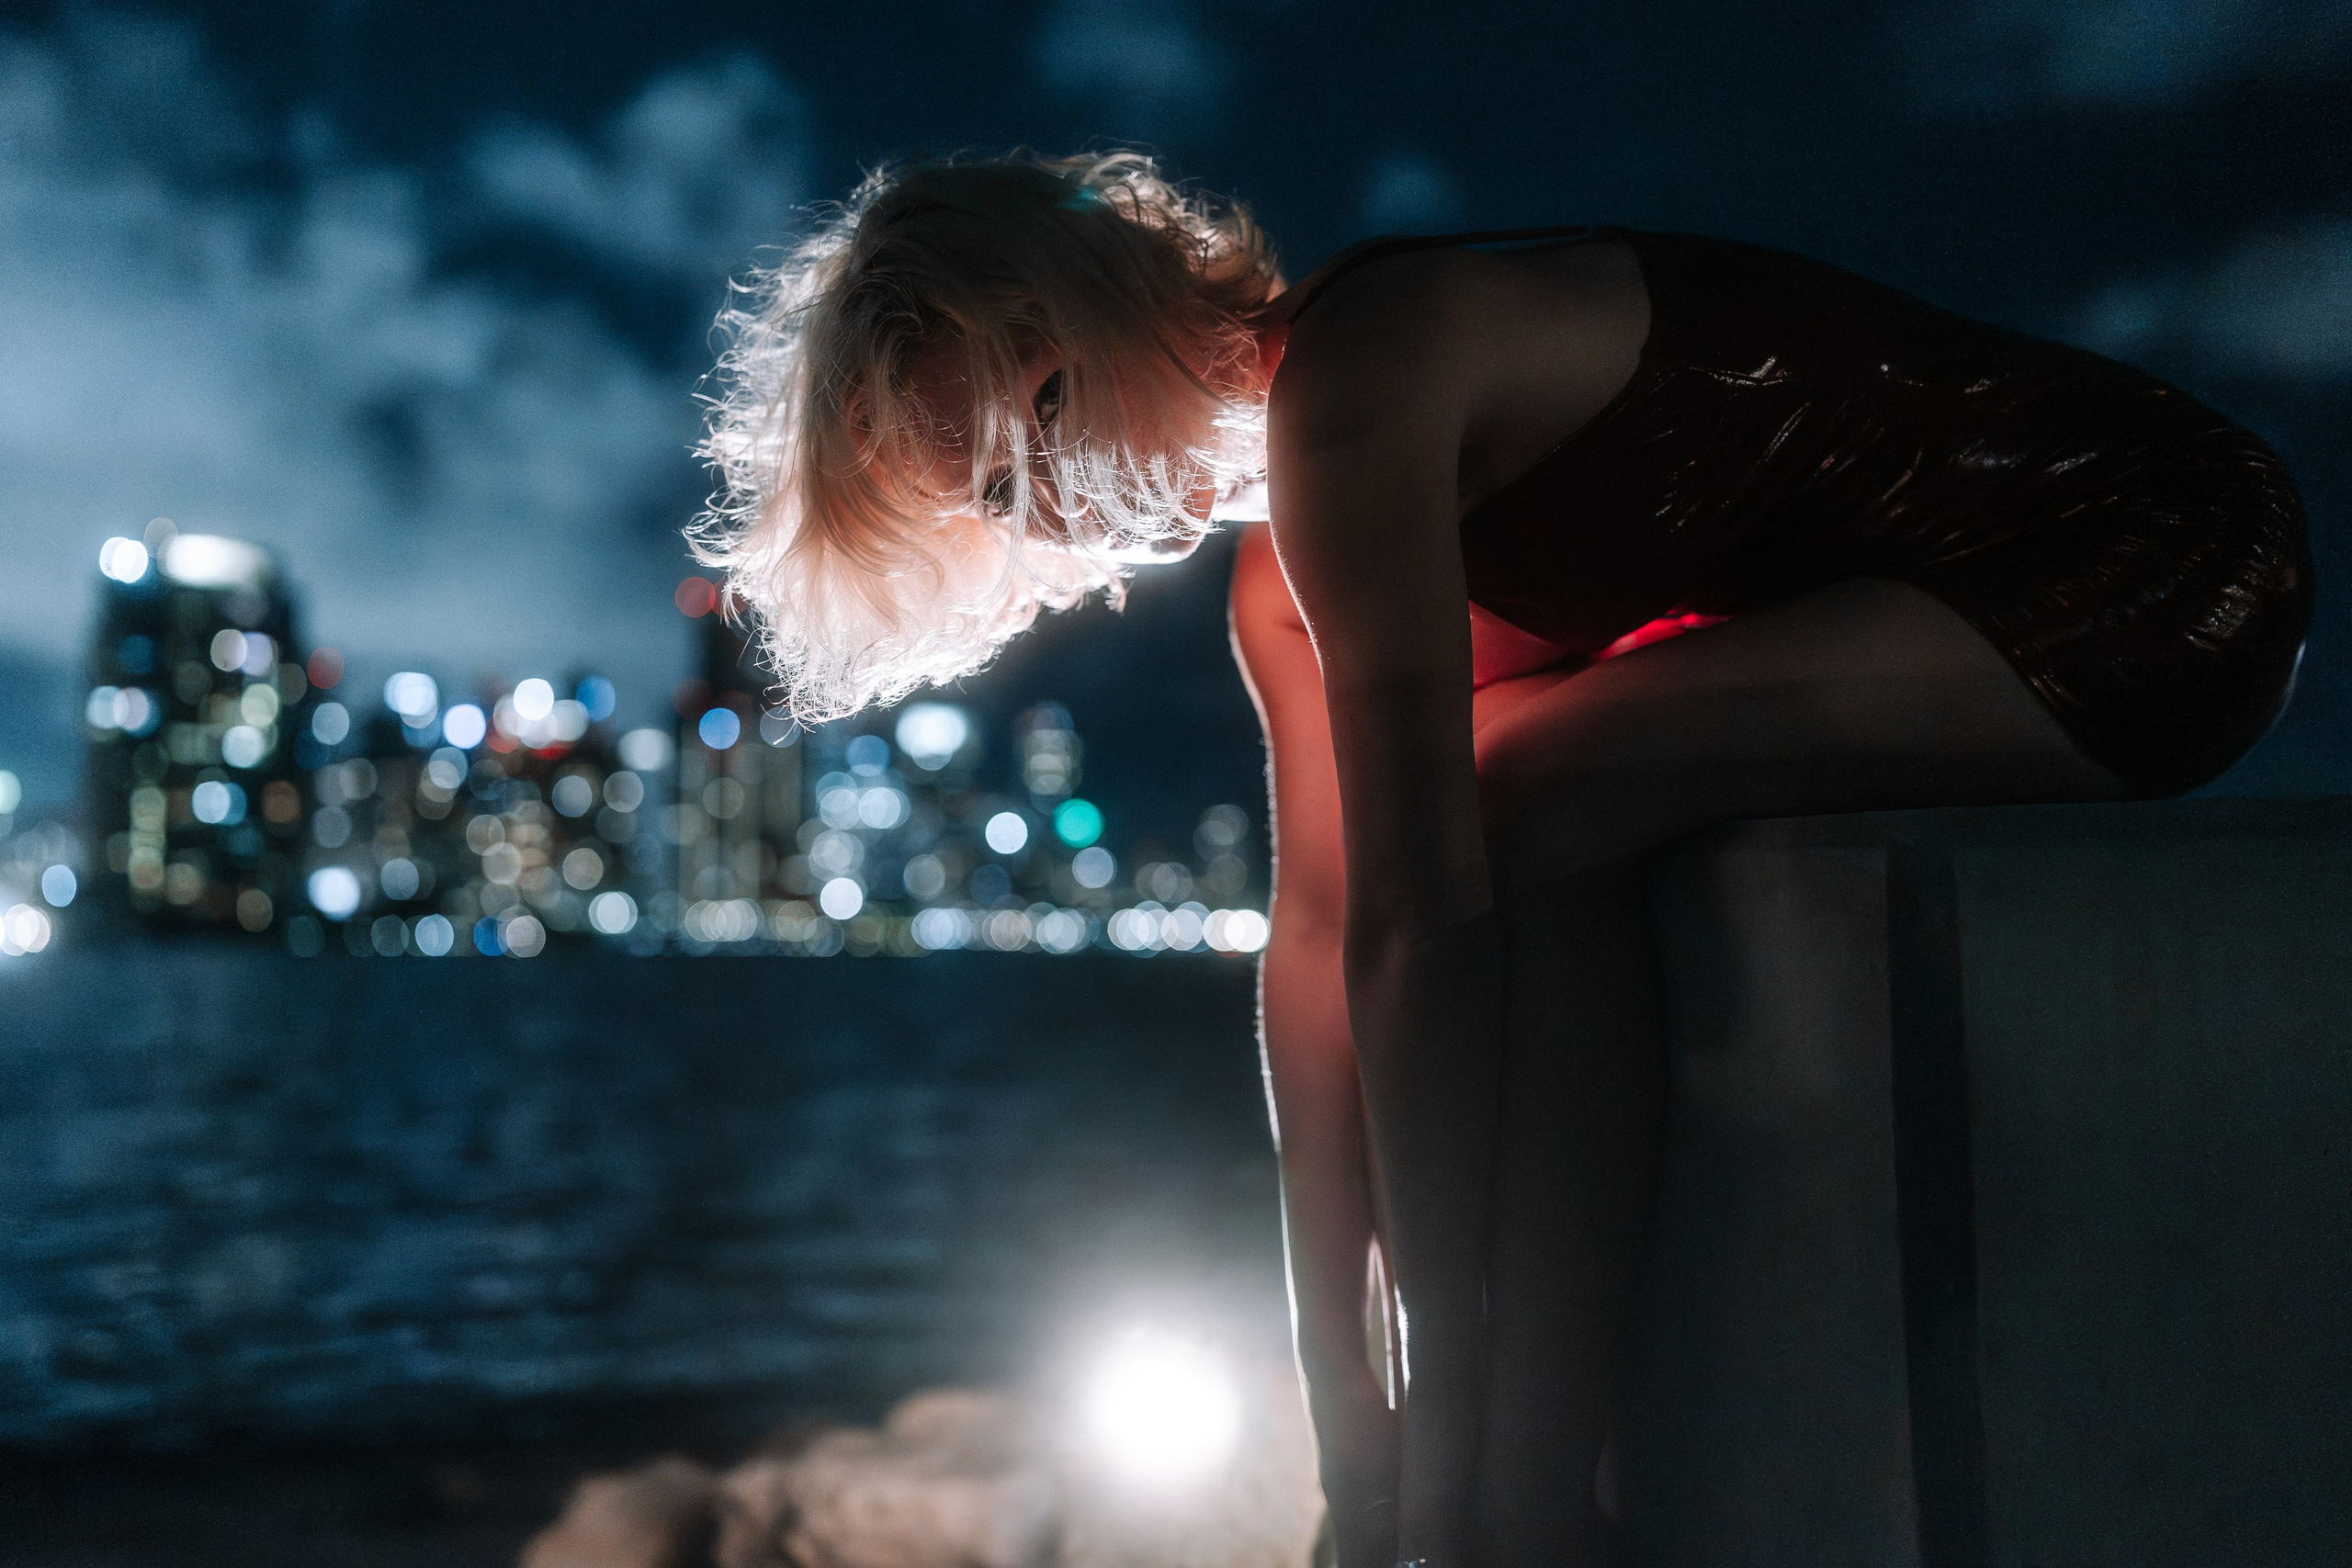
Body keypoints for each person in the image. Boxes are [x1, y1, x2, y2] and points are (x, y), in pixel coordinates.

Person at [694, 151, 2312, 1568]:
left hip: (2153, 554)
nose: (1070, 498)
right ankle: (1513, 1500)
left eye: (1048, 403)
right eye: (1004, 491)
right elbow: (1322, 954)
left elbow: (1423, 912)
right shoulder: (1277, 582)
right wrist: (1354, 1428)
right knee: (1497, 811)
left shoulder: (1363, 372)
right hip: (1969, 619)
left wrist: (1455, 1423)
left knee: (1508, 791)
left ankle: (1527, 1502)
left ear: (1111, 293)